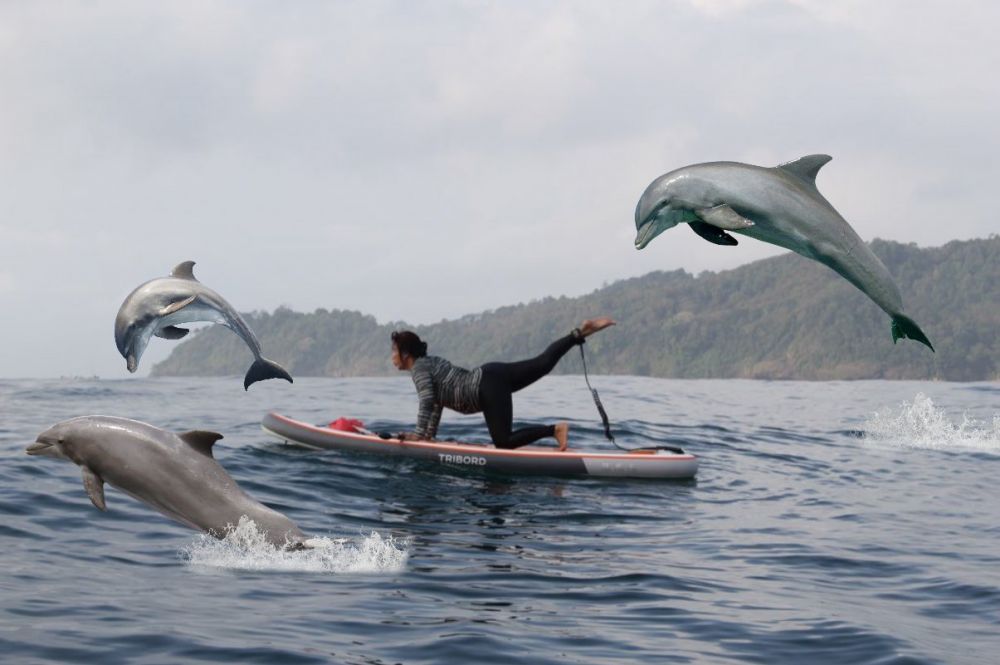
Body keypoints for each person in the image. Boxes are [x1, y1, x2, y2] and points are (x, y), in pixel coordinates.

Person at [390, 318, 615, 450]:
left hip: (485, 387)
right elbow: (436, 403)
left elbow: (427, 400)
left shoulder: (419, 369)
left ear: (406, 354)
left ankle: (554, 430)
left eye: (394, 351)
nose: (392, 357)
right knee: (542, 364)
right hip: (491, 374)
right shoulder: (430, 362)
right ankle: (577, 334)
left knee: (504, 442)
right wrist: (428, 435)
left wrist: (418, 435)